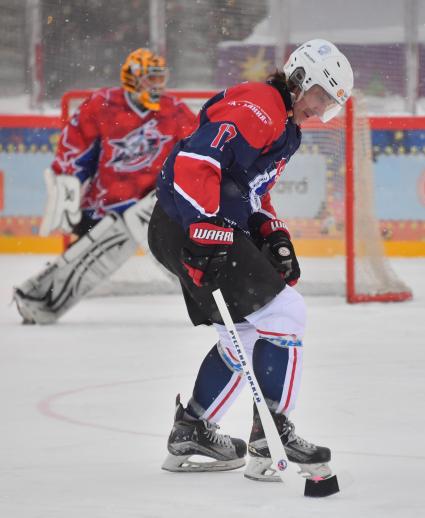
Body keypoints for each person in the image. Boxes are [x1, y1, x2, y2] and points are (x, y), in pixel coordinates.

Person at [148, 39, 353, 481]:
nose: (320, 109)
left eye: (329, 103)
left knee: (240, 332)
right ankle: (270, 437)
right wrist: (203, 227)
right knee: (286, 313)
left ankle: (193, 428)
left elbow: (250, 190)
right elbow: (196, 160)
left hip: (189, 224)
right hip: (190, 220)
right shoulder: (263, 104)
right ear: (299, 81)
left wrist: (270, 230)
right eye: (320, 95)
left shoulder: (286, 125)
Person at [13, 48, 196, 325]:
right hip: (105, 207)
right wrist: (67, 188)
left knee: (179, 258)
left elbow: (194, 155)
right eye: (150, 79)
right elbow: (73, 150)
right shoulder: (102, 105)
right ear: (133, 79)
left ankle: (215, 300)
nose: (157, 85)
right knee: (84, 260)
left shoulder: (175, 112)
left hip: (152, 206)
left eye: (160, 78)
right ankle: (38, 301)